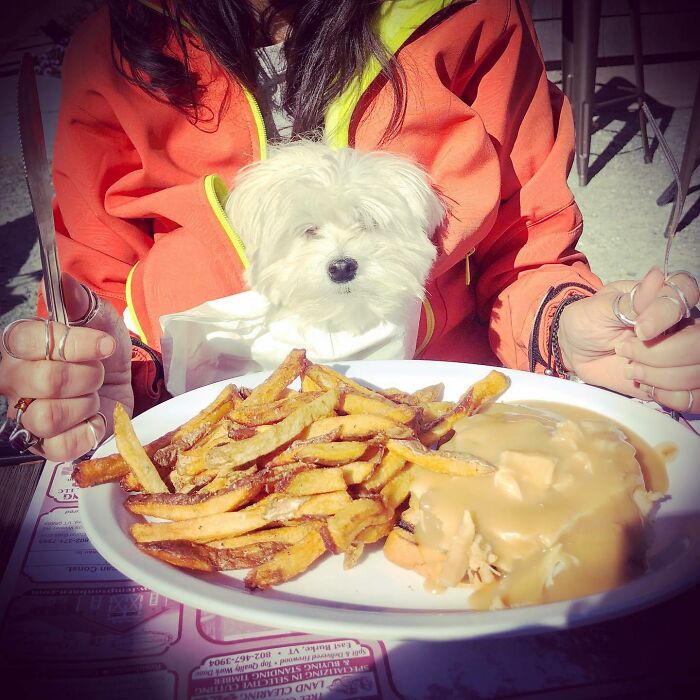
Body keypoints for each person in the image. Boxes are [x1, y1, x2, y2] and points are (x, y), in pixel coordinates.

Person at [0, 0, 698, 463]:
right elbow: (91, 283)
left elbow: (527, 248)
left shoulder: (471, 15)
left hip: (435, 423)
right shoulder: (120, 45)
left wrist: (564, 327)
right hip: (193, 435)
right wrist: (92, 377)